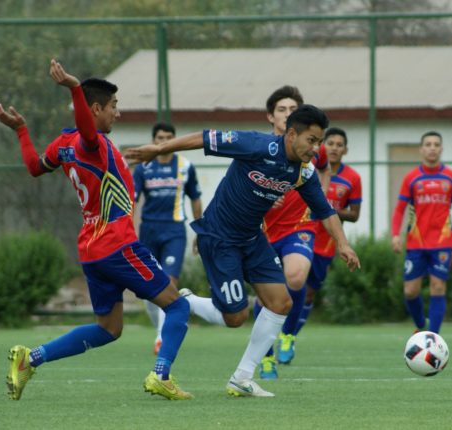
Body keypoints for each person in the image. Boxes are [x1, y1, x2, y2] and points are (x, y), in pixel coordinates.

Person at [125, 104, 361, 398]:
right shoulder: (257, 145)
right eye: (311, 140)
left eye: (319, 142)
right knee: (235, 318)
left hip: (252, 239)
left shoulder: (303, 172)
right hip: (219, 237)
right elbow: (204, 137)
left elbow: (324, 210)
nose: (316, 148)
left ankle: (242, 377)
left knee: (281, 303)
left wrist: (343, 243)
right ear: (291, 134)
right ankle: (186, 301)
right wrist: (157, 150)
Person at [0, 59, 192, 401]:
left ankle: (31, 358)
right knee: (177, 307)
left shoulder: (62, 144)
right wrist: (73, 87)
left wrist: (22, 131)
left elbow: (34, 167)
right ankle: (161, 376)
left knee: (109, 329)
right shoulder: (90, 142)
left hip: (92, 249)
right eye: (113, 106)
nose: (117, 113)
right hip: (118, 244)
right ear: (95, 108)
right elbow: (86, 129)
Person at [254, 85, 327, 378]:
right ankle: (266, 357)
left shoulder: (310, 150)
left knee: (297, 276)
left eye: (293, 110)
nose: (288, 114)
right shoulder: (258, 149)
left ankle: (288, 334)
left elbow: (320, 181)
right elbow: (244, 188)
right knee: (266, 298)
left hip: (300, 227)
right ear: (271, 116)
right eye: (282, 110)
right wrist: (267, 195)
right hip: (264, 230)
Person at [133, 122, 202, 354]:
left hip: (174, 231)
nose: (164, 142)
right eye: (160, 138)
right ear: (153, 141)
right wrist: (127, 232)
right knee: (149, 289)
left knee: (170, 284)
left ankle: (162, 338)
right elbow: (131, 201)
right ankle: (160, 331)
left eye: (168, 138)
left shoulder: (185, 166)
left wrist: (200, 229)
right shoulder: (143, 167)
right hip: (148, 231)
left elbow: (195, 198)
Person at [390, 131, 452, 334]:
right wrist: (396, 235)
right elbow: (399, 209)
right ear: (421, 149)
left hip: (443, 242)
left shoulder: (451, 177)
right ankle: (420, 325)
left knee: (438, 287)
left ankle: (433, 337)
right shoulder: (411, 178)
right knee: (410, 291)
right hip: (416, 242)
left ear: (441, 149)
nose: (432, 148)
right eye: (428, 144)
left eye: (436, 144)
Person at [295, 127, 362, 336]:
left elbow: (354, 215)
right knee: (291, 286)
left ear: (345, 150)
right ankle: (282, 333)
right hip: (300, 234)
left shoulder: (352, 178)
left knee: (308, 293)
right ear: (322, 146)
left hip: (326, 243)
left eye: (339, 145)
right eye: (330, 143)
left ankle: (291, 336)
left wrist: (327, 211)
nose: (334, 148)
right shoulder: (307, 168)